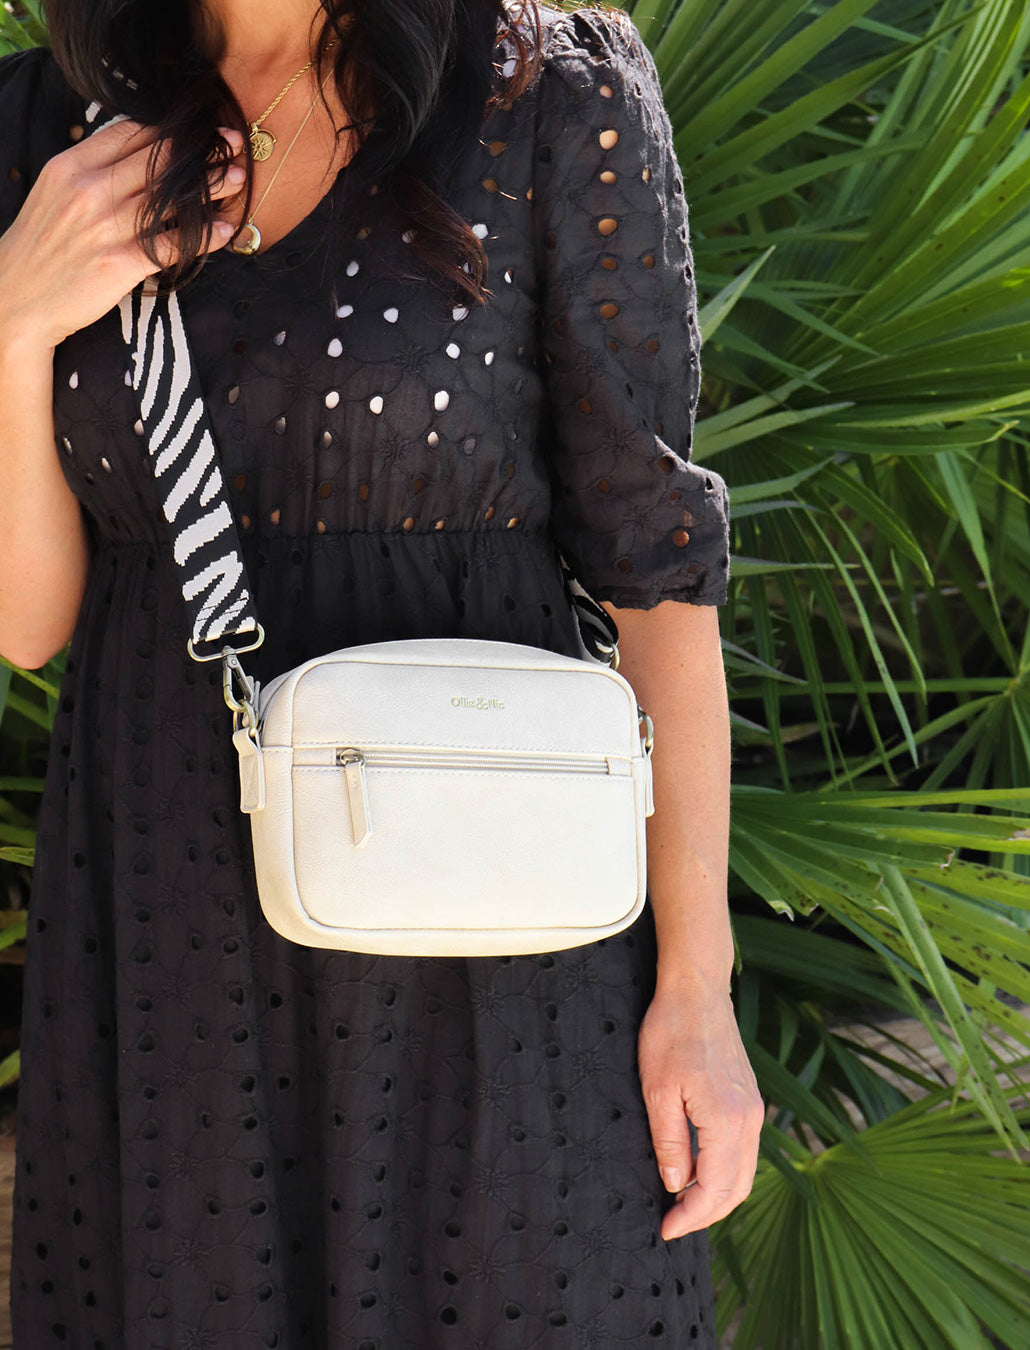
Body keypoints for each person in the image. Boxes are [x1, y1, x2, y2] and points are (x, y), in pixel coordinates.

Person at [0, 0, 763, 1342]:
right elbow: (30, 618)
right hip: (170, 935)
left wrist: (698, 990)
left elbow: (656, 589)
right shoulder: (51, 128)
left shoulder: (547, 95)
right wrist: (12, 318)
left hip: (497, 954)